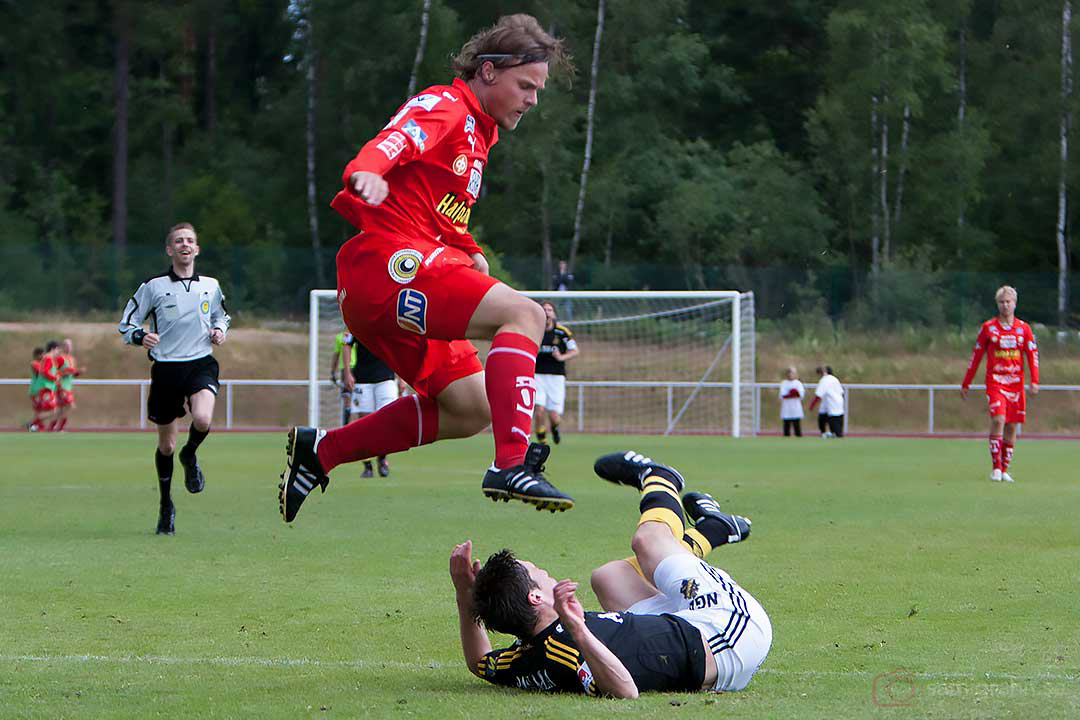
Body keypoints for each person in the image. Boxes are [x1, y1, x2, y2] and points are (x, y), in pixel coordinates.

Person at [279, 14, 576, 523]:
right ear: (488, 71)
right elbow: (389, 145)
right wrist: (365, 174)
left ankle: (320, 452)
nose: (532, 99)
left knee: (471, 409)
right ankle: (512, 461)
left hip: (389, 283)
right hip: (387, 265)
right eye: (526, 85)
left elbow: (435, 210)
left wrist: (467, 245)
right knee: (525, 314)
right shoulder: (447, 105)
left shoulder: (480, 135)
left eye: (538, 89)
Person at [450, 450, 770, 697]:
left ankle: (714, 529)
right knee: (647, 542)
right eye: (536, 571)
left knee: (608, 577)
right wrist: (578, 629)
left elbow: (480, 662)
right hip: (730, 632)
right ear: (536, 597)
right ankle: (659, 477)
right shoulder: (570, 646)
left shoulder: (526, 656)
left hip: (690, 634)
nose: (544, 570)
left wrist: (465, 593)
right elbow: (625, 691)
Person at [118, 222, 231, 535]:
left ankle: (190, 453)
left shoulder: (211, 285)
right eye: (179, 241)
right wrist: (141, 336)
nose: (185, 245)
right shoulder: (153, 287)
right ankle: (166, 505)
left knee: (204, 419)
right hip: (166, 369)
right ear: (170, 249)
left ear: (197, 249)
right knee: (166, 446)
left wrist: (220, 330)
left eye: (190, 241)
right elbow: (127, 323)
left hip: (200, 364)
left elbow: (222, 315)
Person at [960, 285, 1039, 482]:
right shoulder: (988, 328)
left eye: (1008, 302)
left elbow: (1032, 355)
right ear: (997, 304)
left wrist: (1034, 381)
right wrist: (966, 382)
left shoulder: (1024, 329)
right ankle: (995, 468)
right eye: (1001, 302)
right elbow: (976, 356)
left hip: (1016, 384)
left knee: (1011, 427)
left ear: (1014, 303)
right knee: (998, 420)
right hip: (995, 382)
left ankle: (1004, 469)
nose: (1005, 305)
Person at [342, 332, 399, 477]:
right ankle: (367, 466)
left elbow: (398, 348)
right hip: (363, 379)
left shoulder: (389, 318)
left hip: (386, 378)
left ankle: (382, 459)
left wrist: (402, 377)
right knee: (365, 424)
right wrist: (347, 373)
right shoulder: (354, 319)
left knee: (387, 420)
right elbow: (346, 345)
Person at [533, 301, 578, 445]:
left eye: (549, 310)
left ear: (554, 314)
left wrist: (561, 357)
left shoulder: (562, 332)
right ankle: (542, 439)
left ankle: (554, 427)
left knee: (554, 416)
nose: (546, 312)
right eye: (544, 309)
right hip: (537, 375)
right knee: (539, 409)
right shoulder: (534, 330)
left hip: (556, 377)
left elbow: (575, 350)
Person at [53, 338, 82, 432]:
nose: (69, 348)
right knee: (70, 406)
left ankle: (54, 427)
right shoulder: (60, 358)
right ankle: (59, 427)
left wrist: (77, 373)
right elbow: (55, 371)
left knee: (61, 409)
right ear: (63, 347)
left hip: (68, 386)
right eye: (67, 345)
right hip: (61, 386)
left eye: (70, 346)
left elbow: (72, 372)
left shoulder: (72, 359)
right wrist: (63, 374)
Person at [330, 330, 357, 426]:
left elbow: (336, 356)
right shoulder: (341, 337)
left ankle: (347, 425)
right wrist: (333, 372)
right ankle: (348, 426)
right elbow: (336, 355)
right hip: (351, 369)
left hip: (348, 370)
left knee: (348, 400)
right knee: (350, 399)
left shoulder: (342, 336)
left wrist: (332, 372)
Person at [809, 366, 844, 438]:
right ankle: (827, 433)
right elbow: (841, 392)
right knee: (822, 417)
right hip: (836, 402)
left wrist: (812, 405)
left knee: (834, 422)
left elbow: (818, 394)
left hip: (832, 403)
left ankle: (835, 435)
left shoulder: (824, 380)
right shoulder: (834, 378)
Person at [26, 346, 55, 432]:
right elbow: (41, 371)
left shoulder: (42, 363)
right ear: (37, 355)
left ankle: (35, 426)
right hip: (35, 391)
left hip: (38, 390)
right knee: (45, 410)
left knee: (39, 410)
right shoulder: (34, 363)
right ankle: (33, 423)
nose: (43, 356)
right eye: (42, 355)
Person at [778, 366, 805, 437]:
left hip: (796, 408)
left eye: (792, 373)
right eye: (789, 373)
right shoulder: (784, 383)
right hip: (787, 408)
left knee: (797, 426)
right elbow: (782, 395)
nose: (790, 375)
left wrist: (795, 393)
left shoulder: (798, 383)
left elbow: (801, 395)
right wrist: (791, 394)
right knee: (786, 426)